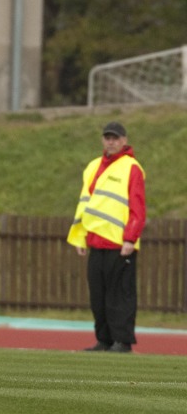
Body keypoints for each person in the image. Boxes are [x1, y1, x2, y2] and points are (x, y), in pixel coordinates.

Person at [67, 121, 145, 353]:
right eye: (107, 138)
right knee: (98, 296)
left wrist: (130, 238)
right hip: (96, 242)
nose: (111, 142)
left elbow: (138, 208)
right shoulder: (92, 166)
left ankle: (122, 341)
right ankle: (104, 340)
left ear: (124, 140)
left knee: (119, 295)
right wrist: (81, 236)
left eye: (115, 138)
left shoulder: (132, 168)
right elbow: (85, 205)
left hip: (120, 244)